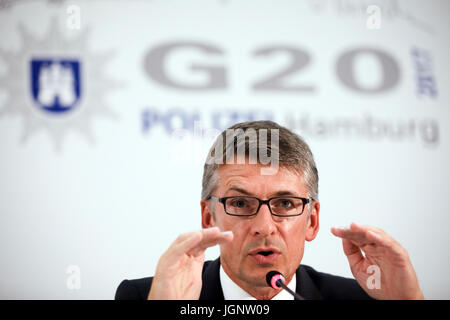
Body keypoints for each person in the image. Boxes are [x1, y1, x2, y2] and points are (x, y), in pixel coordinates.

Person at [115, 120, 424, 300]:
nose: (264, 226)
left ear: (312, 221)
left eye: (285, 204)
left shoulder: (361, 301)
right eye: (240, 203)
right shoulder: (147, 297)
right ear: (209, 218)